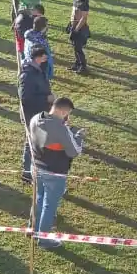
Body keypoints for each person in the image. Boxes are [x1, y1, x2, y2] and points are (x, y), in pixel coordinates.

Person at [28, 97, 85, 249]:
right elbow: (74, 151)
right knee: (49, 205)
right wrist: (78, 136)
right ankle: (44, 239)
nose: (67, 117)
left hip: (36, 167)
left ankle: (32, 228)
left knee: (38, 198)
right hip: (55, 172)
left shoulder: (35, 118)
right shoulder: (61, 128)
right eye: (67, 113)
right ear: (61, 111)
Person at [17, 45, 52, 180]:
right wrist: (46, 98)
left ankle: (35, 170)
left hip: (40, 112)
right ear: (38, 57)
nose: (47, 57)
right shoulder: (27, 75)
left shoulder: (38, 69)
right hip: (32, 115)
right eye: (45, 55)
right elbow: (26, 98)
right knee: (31, 143)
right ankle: (27, 173)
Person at [68, 0, 90, 74]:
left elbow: (84, 18)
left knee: (78, 48)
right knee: (75, 47)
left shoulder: (84, 3)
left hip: (80, 29)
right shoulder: (76, 1)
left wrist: (76, 29)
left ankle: (83, 66)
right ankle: (77, 64)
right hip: (74, 26)